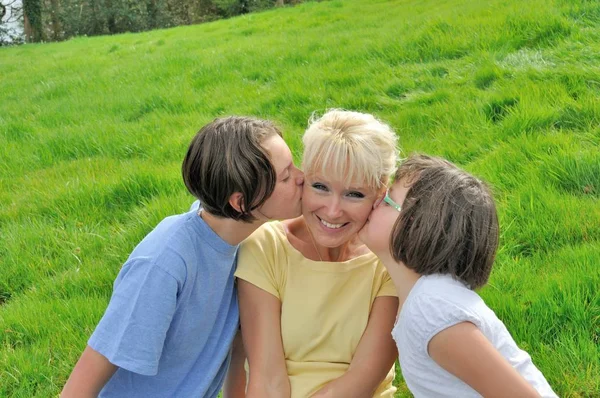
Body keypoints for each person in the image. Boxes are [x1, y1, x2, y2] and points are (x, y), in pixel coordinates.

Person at [60, 116, 304, 398]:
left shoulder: (245, 241)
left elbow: (238, 356)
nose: (302, 178)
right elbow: (83, 381)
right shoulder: (164, 263)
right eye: (286, 176)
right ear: (241, 203)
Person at [359, 154, 558, 397]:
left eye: (388, 200)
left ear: (414, 225)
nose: (376, 201)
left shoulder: (431, 310)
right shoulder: (424, 300)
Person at [234, 109, 400, 398]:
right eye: (320, 187)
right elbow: (267, 378)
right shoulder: (265, 246)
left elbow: (362, 380)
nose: (333, 211)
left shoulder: (389, 261)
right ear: (303, 179)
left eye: (354, 194)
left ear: (380, 194)